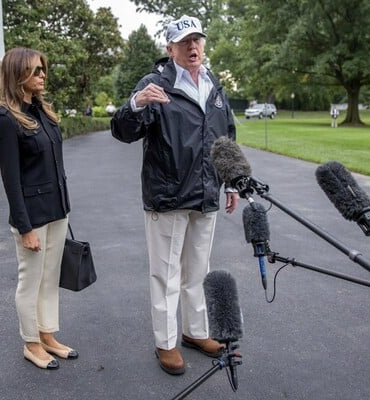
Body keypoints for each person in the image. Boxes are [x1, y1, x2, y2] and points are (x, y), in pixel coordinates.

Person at [111, 15, 239, 375]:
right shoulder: (155, 84)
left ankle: (196, 332)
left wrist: (231, 181)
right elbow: (122, 131)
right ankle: (166, 343)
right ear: (170, 50)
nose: (192, 47)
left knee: (198, 271)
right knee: (165, 276)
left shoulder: (213, 85)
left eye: (197, 40)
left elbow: (225, 136)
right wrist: (135, 103)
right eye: (184, 42)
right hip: (168, 198)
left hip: (206, 194)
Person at [0, 47, 77, 370]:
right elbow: (10, 181)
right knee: (30, 281)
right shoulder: (6, 119)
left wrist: (64, 204)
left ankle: (47, 335)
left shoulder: (42, 111)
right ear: (18, 75)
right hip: (31, 216)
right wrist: (25, 227)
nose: (42, 75)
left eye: (43, 69)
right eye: (35, 70)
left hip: (56, 208)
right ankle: (31, 342)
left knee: (49, 278)